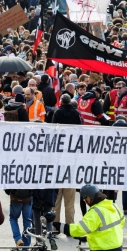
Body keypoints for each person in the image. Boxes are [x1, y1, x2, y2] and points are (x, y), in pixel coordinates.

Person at [53, 185, 125, 251]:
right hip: (117, 249)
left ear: (90, 198)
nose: (85, 202)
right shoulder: (113, 206)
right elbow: (122, 222)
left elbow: (80, 229)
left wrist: (61, 226)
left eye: (85, 199)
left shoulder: (95, 212)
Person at [51, 94, 83, 224]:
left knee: (56, 201)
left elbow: (53, 128)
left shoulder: (58, 113)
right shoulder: (75, 113)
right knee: (69, 202)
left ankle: (55, 225)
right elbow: (81, 128)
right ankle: (70, 225)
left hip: (57, 172)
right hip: (70, 172)